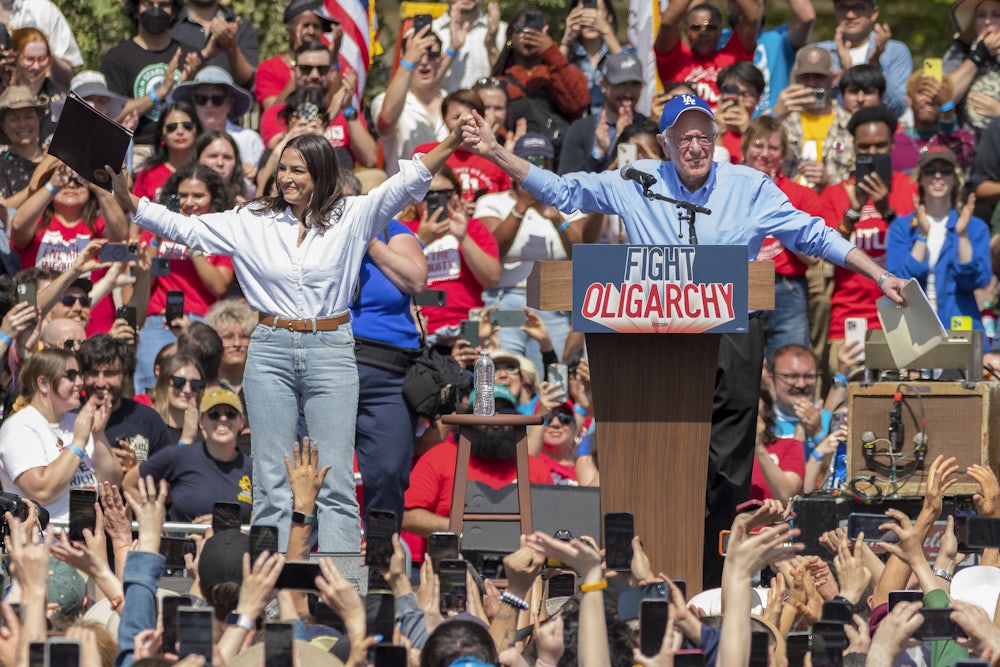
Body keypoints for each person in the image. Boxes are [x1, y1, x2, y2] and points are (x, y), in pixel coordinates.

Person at [458, 93, 908, 588]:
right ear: (666, 144)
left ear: (716, 141)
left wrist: (879, 273)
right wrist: (495, 152)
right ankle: (647, 574)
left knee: (724, 466)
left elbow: (815, 235)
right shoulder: (637, 180)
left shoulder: (749, 186)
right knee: (658, 457)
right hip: (657, 340)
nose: (695, 146)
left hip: (733, 331)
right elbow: (565, 193)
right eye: (685, 137)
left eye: (704, 136)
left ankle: (717, 578)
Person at [109, 119, 469, 552]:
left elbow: (407, 181)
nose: (286, 178)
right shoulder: (251, 219)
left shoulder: (352, 216)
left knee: (334, 480)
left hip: (332, 347)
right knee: (271, 479)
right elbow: (187, 229)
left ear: (321, 174)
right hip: (270, 348)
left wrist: (450, 140)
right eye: (283, 168)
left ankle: (346, 585)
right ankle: (271, 585)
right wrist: (132, 203)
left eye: (298, 170)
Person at [350, 203, 426, 525]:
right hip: (325, 364)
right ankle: (316, 564)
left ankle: (381, 568)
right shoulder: (311, 230)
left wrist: (367, 238)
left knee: (389, 471)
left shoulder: (389, 230)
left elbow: (416, 280)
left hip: (387, 371)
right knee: (319, 473)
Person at [132, 163, 235, 394]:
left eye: (198, 196)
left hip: (203, 323)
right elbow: (143, 282)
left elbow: (218, 286)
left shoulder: (222, 234)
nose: (189, 202)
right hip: (159, 321)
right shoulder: (156, 232)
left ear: (213, 199)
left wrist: (191, 241)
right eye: (183, 196)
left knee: (199, 390)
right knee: (152, 389)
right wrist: (158, 236)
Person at [0, 348, 120, 522]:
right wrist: (78, 443)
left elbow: (112, 482)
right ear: (43, 384)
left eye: (80, 374)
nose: (80, 382)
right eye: (71, 375)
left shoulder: (76, 421)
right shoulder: (19, 427)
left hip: (82, 542)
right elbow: (42, 491)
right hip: (41, 544)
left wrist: (99, 435)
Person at [887, 147, 992, 329]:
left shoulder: (974, 227)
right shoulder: (901, 227)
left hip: (960, 326)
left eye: (945, 170)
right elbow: (898, 283)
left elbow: (976, 281)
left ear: (955, 179)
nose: (937, 176)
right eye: (930, 170)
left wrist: (963, 236)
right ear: (920, 178)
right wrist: (923, 235)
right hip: (915, 329)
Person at [743, 116, 821, 356]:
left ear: (784, 154)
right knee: (740, 365)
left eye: (773, 148)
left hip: (787, 287)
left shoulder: (802, 195)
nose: (765, 154)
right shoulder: (724, 189)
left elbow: (813, 258)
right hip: (742, 280)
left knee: (790, 361)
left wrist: (778, 217)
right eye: (758, 145)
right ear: (744, 148)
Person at [123, 387, 253, 523]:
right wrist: (154, 524)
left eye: (231, 413)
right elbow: (129, 482)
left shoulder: (252, 469)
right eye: (214, 413)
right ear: (201, 421)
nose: (223, 419)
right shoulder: (179, 455)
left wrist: (225, 525)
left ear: (241, 422)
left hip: (233, 543)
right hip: (185, 543)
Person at [400, 165, 500, 338]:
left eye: (445, 194)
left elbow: (492, 278)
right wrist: (421, 240)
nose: (437, 200)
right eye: (428, 195)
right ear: (416, 198)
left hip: (468, 324)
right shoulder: (402, 230)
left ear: (457, 194)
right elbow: (394, 277)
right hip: (419, 325)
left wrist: (463, 237)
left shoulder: (474, 228)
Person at [79, 334, 173, 465]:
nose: (100, 383)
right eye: (93, 373)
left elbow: (166, 475)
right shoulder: (69, 416)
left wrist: (136, 470)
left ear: (127, 376)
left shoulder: (147, 419)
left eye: (109, 374)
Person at [812, 0, 912, 118]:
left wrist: (875, 68)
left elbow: (898, 108)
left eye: (858, 7)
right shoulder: (817, 53)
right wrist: (842, 72)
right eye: (842, 7)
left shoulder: (895, 51)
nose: (850, 15)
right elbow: (813, 103)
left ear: (874, 13)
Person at [653, 0, 760, 110]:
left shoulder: (733, 58)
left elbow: (752, 20)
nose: (703, 33)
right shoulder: (675, 61)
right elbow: (667, 24)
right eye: (695, 27)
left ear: (720, 31)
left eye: (711, 28)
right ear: (685, 31)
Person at [558, 51, 646, 174]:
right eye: (621, 85)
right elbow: (567, 185)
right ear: (603, 84)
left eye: (634, 85)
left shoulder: (649, 128)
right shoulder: (581, 129)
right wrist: (598, 153)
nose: (628, 93)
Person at [169, 66, 264, 172]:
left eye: (217, 99)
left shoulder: (249, 140)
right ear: (193, 103)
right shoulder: (184, 140)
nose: (209, 105)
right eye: (202, 99)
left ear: (230, 103)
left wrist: (252, 177)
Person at [943, 0, 1000, 134]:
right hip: (967, 147)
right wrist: (978, 56)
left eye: (996, 15)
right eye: (981, 15)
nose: (987, 22)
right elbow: (945, 98)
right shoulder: (959, 51)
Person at [559, 0, 625, 116]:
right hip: (572, 128)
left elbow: (628, 70)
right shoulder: (567, 55)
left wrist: (606, 31)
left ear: (609, 17)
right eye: (584, 11)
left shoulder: (620, 52)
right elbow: (552, 79)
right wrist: (566, 40)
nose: (590, 17)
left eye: (596, 10)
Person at [132, 102, 202, 204]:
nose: (180, 131)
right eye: (172, 127)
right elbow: (136, 216)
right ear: (162, 135)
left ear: (197, 131)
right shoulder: (147, 173)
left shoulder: (206, 171)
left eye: (187, 126)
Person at [434, 0, 506, 91]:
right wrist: (452, 50)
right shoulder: (427, 32)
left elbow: (509, 86)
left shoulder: (504, 33)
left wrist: (492, 47)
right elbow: (419, 86)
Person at [150, 353, 205, 446]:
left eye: (195, 384)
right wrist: (185, 440)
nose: (187, 390)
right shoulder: (149, 426)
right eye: (179, 382)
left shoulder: (207, 430)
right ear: (164, 383)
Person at [193, 129, 252, 204]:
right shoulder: (181, 199)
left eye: (227, 157)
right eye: (213, 156)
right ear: (198, 159)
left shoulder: (244, 203)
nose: (220, 163)